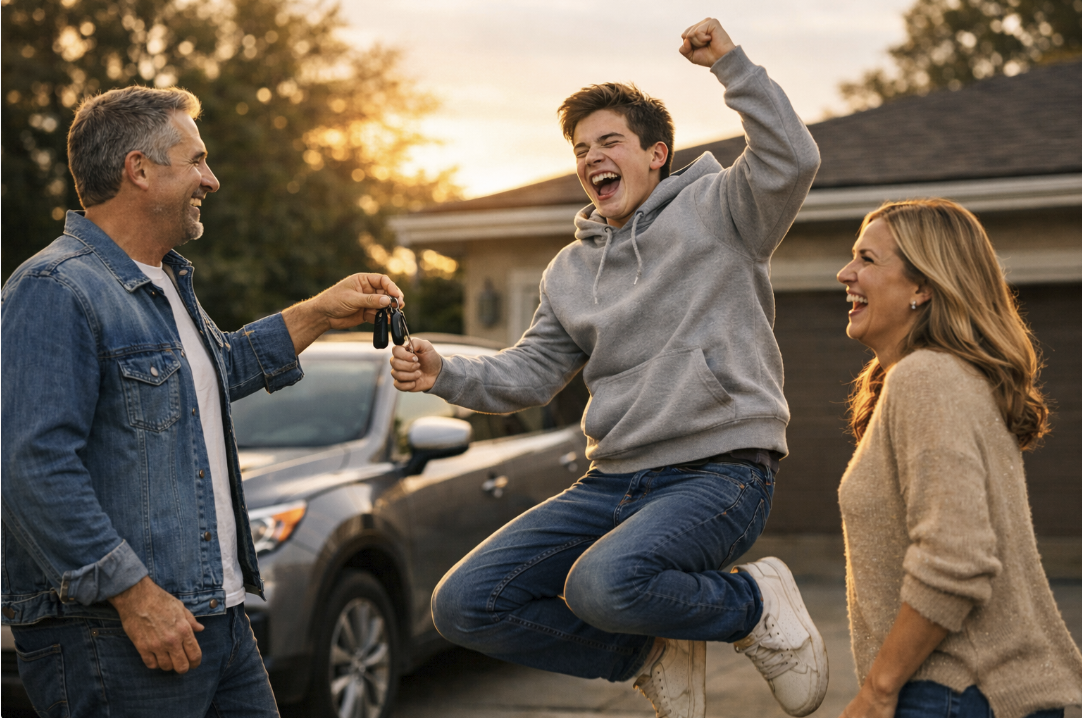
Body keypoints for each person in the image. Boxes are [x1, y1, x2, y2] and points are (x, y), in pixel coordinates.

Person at [390, 17, 828, 718]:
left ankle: (752, 601)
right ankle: (648, 653)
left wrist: (730, 66)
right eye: (580, 148)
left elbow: (794, 157)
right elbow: (529, 376)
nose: (592, 156)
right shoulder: (570, 270)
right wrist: (444, 371)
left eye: (610, 141)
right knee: (465, 605)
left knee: (600, 585)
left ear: (656, 154)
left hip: (721, 471)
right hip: (612, 480)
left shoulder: (723, 211)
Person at [0, 86, 404, 716]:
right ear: (139, 169)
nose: (210, 180)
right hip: (117, 633)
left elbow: (222, 368)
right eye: (196, 160)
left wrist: (322, 312)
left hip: (217, 614)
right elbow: (30, 467)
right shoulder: (56, 288)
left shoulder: (166, 281)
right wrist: (135, 598)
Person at [835, 199, 1082, 718]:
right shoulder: (943, 378)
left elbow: (957, 560)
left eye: (867, 259)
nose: (845, 273)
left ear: (922, 287)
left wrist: (878, 690)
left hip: (955, 692)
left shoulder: (928, 378)